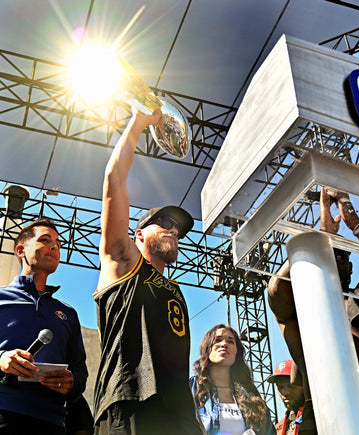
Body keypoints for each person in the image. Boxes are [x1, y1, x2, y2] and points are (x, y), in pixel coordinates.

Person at [268, 187, 359, 434]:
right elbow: (275, 290)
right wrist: (316, 239)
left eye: (341, 258)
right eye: (325, 256)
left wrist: (356, 225)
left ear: (350, 268)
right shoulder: (301, 311)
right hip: (319, 419)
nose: (334, 263)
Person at [92, 109, 202, 434]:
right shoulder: (124, 263)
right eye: (163, 224)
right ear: (138, 234)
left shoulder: (175, 289)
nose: (173, 231)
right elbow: (114, 182)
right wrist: (140, 122)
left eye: (177, 228)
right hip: (130, 405)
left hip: (178, 416)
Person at [0, 218, 87, 433]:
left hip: (51, 422)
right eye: (45, 240)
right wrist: (1, 359)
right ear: (21, 250)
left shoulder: (68, 313)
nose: (54, 246)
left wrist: (71, 382)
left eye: (58, 243)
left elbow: (80, 370)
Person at [190, 324, 276, 435]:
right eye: (217, 340)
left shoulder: (252, 396)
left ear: (237, 352)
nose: (224, 344)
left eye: (230, 341)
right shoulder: (192, 388)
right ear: (207, 349)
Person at [266, 360, 305, 435]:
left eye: (291, 386)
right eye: (280, 387)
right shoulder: (276, 429)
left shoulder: (317, 418)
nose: (285, 392)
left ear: (304, 384)